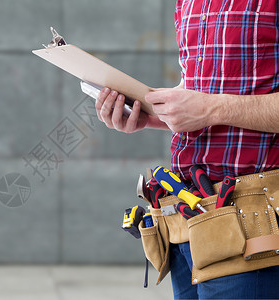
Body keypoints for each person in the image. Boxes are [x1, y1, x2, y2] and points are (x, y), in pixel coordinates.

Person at [96, 0, 279, 299]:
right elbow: (202, 93)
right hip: (186, 223)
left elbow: (210, 105)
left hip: (254, 227)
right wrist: (147, 116)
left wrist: (211, 108)